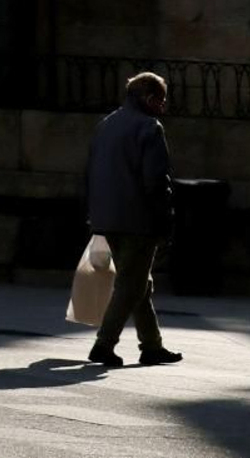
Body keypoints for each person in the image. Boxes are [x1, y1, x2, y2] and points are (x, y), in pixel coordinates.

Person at [84, 71, 184, 367]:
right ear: (150, 98)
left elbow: (88, 173)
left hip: (106, 217)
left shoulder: (106, 124)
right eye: (161, 100)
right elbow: (156, 180)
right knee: (131, 285)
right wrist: (165, 218)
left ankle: (152, 345)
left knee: (138, 281)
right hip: (138, 220)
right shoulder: (149, 127)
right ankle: (104, 344)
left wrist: (92, 213)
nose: (163, 107)